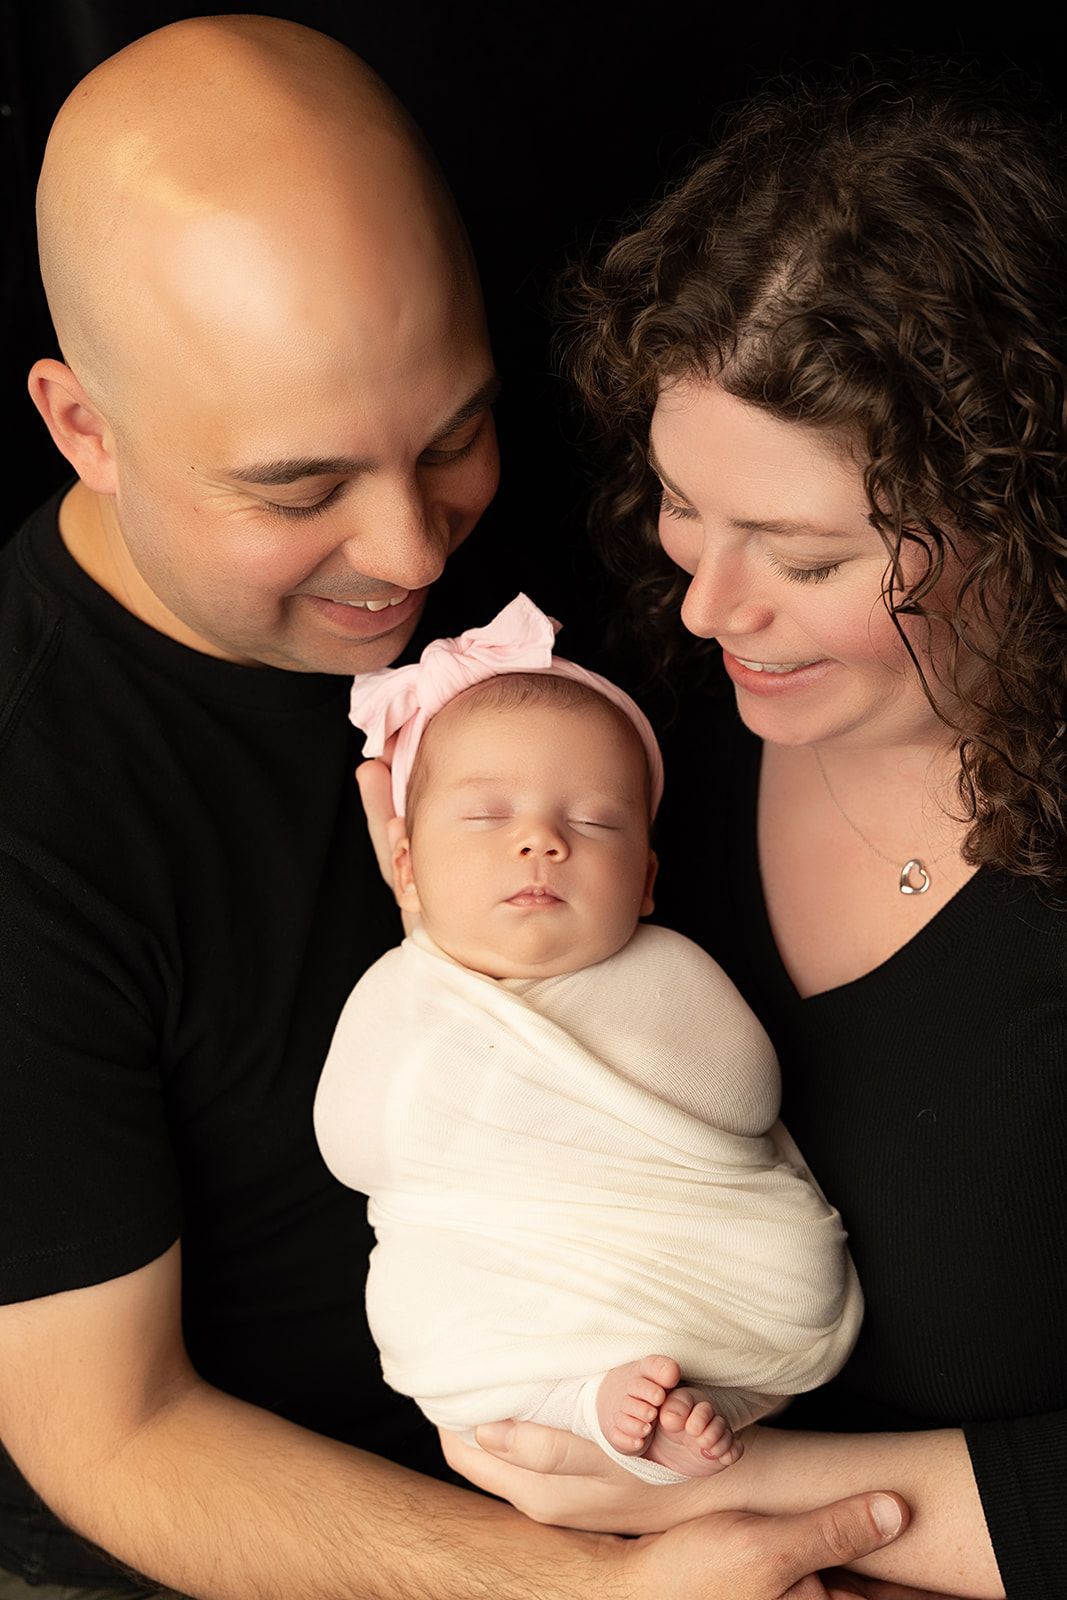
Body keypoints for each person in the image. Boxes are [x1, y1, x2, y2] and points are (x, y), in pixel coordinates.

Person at [0, 15, 915, 1600]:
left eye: (450, 439)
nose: (416, 555)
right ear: (85, 426)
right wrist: (590, 1592)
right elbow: (109, 1432)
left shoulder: (602, 491)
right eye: (294, 492)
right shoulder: (36, 813)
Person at [434, 67, 1067, 1600]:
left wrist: (724, 1497)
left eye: (800, 554)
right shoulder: (644, 708)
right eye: (678, 507)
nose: (710, 605)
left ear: (1030, 524)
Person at [314, 592, 863, 1483]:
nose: (539, 841)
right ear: (405, 865)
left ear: (645, 881)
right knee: (434, 1319)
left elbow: (739, 1098)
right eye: (488, 818)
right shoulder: (401, 993)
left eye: (595, 823)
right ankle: (597, 1410)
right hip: (505, 1285)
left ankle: (705, 1399)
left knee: (782, 1287)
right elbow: (358, 1148)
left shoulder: (669, 971)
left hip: (703, 1261)